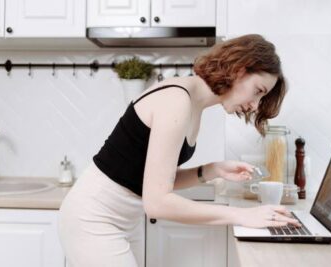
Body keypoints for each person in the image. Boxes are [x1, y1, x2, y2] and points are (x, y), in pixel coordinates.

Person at [57, 34, 301, 267]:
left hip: (122, 220)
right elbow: (157, 203)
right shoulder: (177, 101)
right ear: (239, 69)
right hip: (92, 217)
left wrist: (213, 169)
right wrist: (242, 215)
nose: (255, 105)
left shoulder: (193, 103)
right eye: (258, 91)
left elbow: (157, 182)